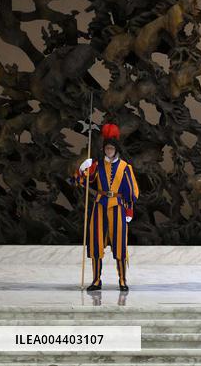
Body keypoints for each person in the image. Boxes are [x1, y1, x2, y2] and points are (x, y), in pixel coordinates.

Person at [71, 122, 139, 292]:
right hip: (100, 206)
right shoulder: (97, 165)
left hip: (118, 206)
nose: (109, 151)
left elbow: (131, 191)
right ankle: (96, 280)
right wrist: (81, 169)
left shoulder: (125, 168)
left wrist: (129, 210)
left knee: (120, 244)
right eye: (107, 148)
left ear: (116, 149)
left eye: (111, 148)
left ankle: (122, 280)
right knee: (95, 243)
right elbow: (78, 182)